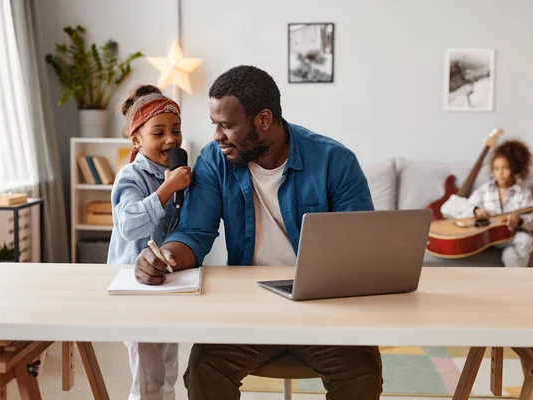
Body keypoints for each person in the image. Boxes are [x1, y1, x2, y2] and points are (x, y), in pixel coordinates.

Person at [135, 65, 383, 400]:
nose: (216, 136)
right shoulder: (214, 160)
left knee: (362, 373)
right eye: (214, 125)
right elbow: (194, 232)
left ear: (263, 120)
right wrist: (165, 256)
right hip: (248, 304)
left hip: (323, 305)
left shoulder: (333, 160)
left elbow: (364, 246)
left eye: (226, 125)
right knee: (204, 370)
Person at [107, 85, 192, 400]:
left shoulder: (176, 172)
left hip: (168, 282)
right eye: (159, 133)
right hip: (135, 286)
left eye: (176, 130)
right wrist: (166, 190)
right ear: (137, 140)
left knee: (169, 368)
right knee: (148, 376)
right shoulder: (131, 177)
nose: (171, 139)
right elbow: (128, 225)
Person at [442, 139, 533, 267]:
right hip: (487, 236)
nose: (500, 173)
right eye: (496, 169)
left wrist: (519, 220)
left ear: (514, 169)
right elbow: (464, 207)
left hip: (511, 238)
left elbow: (531, 221)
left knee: (520, 245)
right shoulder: (484, 190)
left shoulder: (523, 193)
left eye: (505, 168)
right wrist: (476, 210)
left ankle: (517, 279)